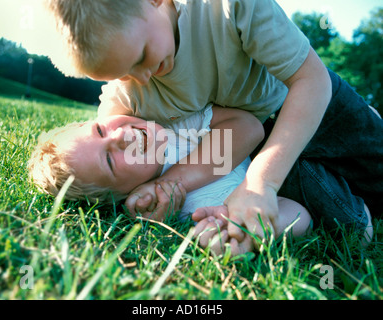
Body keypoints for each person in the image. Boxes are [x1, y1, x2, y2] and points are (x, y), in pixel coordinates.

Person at [45, 0, 381, 249]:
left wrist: (259, 185)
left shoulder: (228, 6)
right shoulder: (127, 96)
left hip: (315, 107)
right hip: (259, 149)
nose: (141, 78)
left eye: (139, 57)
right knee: (355, 224)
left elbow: (310, 79)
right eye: (122, 73)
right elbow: (109, 167)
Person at [28, 105, 312, 255]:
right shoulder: (188, 210)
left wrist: (177, 180)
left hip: (297, 134)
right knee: (344, 210)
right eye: (110, 160)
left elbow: (250, 127)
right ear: (122, 196)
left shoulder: (177, 127)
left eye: (100, 129)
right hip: (307, 179)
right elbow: (301, 215)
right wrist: (244, 227)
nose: (120, 136)